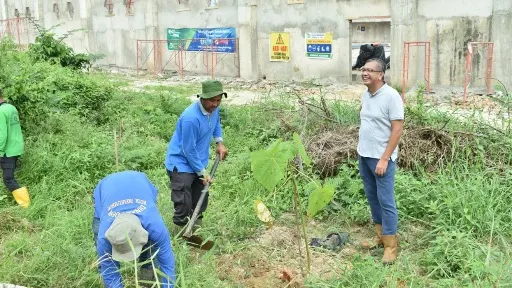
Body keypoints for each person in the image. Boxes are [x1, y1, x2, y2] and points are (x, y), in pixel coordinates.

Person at [164, 80, 228, 237]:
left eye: (218, 100)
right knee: (184, 203)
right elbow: (188, 150)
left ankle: (195, 234)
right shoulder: (191, 118)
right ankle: (180, 237)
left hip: (199, 162)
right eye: (212, 100)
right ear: (202, 98)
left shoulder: (214, 109)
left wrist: (219, 142)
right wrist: (202, 172)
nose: (215, 104)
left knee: (201, 197)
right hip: (181, 164)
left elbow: (216, 123)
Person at [92, 171, 176, 287]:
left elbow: (167, 265)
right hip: (106, 187)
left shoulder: (155, 226)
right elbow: (110, 275)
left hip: (140, 182)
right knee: (105, 263)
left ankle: (147, 277)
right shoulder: (104, 236)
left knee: (151, 248)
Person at [357, 58, 404, 265]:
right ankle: (380, 236)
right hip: (364, 155)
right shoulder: (366, 95)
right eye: (363, 69)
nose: (364, 73)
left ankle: (391, 247)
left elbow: (397, 129)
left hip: (381, 158)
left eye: (369, 70)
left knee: (386, 201)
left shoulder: (391, 96)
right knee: (373, 198)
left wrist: (384, 158)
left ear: (380, 75)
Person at [0, 88, 29, 208]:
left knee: (8, 178)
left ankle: (25, 204)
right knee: (8, 176)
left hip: (8, 150)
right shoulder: (11, 107)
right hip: (16, 147)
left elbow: (2, 135)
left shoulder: (1, 111)